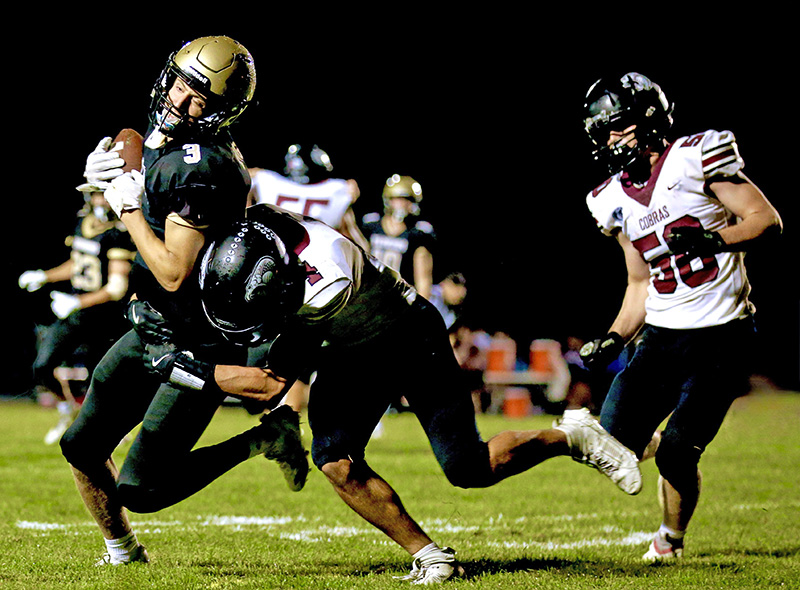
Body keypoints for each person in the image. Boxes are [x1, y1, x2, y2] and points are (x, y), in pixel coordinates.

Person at [154, 203, 642, 583]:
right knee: (335, 459)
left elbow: (268, 385)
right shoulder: (255, 230)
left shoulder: (325, 283)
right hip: (353, 343)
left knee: (468, 468)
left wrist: (181, 367)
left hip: (407, 338)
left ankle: (571, 435)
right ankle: (432, 558)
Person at [59, 35, 308, 566]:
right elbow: (147, 215)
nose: (181, 100)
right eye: (182, 82)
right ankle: (122, 553)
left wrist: (122, 205)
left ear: (222, 113)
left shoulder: (199, 165)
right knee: (80, 445)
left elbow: (173, 272)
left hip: (197, 340)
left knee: (143, 489)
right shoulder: (166, 143)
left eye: (201, 98)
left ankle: (264, 439)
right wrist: (99, 188)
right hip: (151, 326)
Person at [578, 72, 783, 562]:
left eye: (618, 126)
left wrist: (716, 239)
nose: (610, 140)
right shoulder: (610, 198)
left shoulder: (695, 156)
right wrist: (613, 337)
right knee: (609, 441)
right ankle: (655, 441)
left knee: (677, 453)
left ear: (649, 118)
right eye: (601, 132)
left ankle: (669, 538)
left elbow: (765, 220)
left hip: (723, 335)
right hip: (662, 337)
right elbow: (639, 284)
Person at [246, 142, 370, 411]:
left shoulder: (265, 182)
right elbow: (360, 247)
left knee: (275, 354)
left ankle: (276, 408)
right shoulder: (338, 192)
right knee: (309, 354)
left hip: (271, 279)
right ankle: (286, 412)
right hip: (317, 283)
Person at [18, 191, 135, 444]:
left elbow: (117, 288)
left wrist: (76, 301)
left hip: (104, 317)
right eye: (96, 195)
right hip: (77, 312)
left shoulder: (119, 232)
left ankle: (115, 426)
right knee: (43, 365)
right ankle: (66, 412)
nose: (100, 200)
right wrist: (44, 276)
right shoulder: (83, 223)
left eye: (104, 195)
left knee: (101, 376)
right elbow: (78, 264)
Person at [361, 174, 435, 299]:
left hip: (399, 299)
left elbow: (423, 279)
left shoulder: (416, 234)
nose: (403, 204)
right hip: (370, 293)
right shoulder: (371, 226)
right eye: (399, 199)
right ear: (388, 199)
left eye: (408, 200)